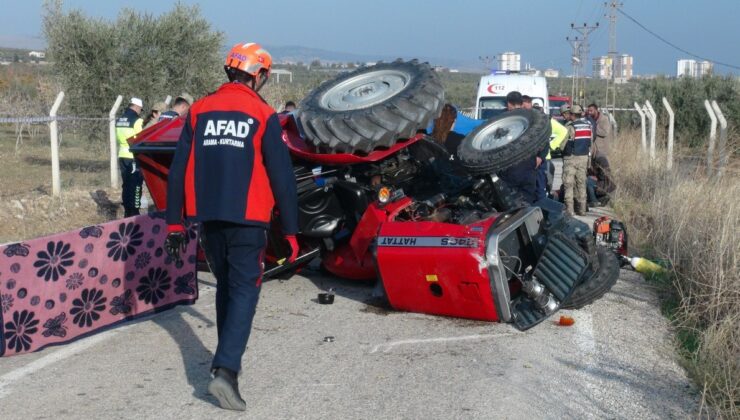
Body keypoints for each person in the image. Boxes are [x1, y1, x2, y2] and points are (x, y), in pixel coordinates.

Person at [164, 42, 298, 412]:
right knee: (244, 292)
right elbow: (283, 178)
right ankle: (226, 371)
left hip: (208, 219)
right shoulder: (263, 113)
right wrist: (290, 230)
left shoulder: (199, 110)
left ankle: (223, 363)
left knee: (227, 288)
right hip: (249, 220)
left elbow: (177, 172)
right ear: (260, 75)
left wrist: (174, 223)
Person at [497, 91, 538, 204]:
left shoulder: (502, 119)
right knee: (528, 203)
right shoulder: (533, 117)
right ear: (521, 102)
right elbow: (542, 139)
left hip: (509, 167)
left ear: (509, 103)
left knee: (510, 205)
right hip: (529, 166)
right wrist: (540, 157)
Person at [560, 104, 592, 215]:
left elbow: (563, 144)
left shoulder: (570, 126)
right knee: (581, 183)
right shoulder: (588, 126)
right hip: (583, 158)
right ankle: (582, 209)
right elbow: (590, 143)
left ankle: (570, 210)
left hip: (571, 158)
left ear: (573, 115)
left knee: (568, 184)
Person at [115, 97, 144, 217]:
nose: (140, 112)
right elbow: (140, 139)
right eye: (140, 110)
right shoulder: (137, 121)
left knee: (126, 184)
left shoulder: (120, 119)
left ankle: (127, 211)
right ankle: (135, 211)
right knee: (136, 185)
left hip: (122, 155)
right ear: (137, 107)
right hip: (133, 156)